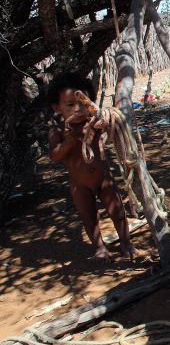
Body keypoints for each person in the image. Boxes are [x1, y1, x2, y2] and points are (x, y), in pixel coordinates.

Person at [47, 73, 134, 261]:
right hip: (79, 185)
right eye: (70, 105)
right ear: (57, 108)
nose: (78, 109)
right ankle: (100, 248)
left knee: (117, 211)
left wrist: (106, 123)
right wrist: (68, 143)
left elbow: (112, 130)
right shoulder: (58, 131)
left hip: (104, 179)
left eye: (83, 103)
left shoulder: (94, 124)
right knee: (89, 217)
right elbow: (54, 156)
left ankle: (126, 242)